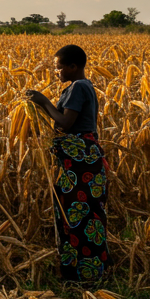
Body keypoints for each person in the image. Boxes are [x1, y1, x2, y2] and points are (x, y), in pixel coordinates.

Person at [27, 44, 109, 284]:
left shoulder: (77, 87)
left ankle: (82, 273)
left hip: (80, 165)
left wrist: (42, 101)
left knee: (78, 213)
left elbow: (65, 123)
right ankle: (87, 269)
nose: (56, 72)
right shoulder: (85, 86)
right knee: (84, 213)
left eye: (58, 67)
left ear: (73, 67)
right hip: (82, 162)